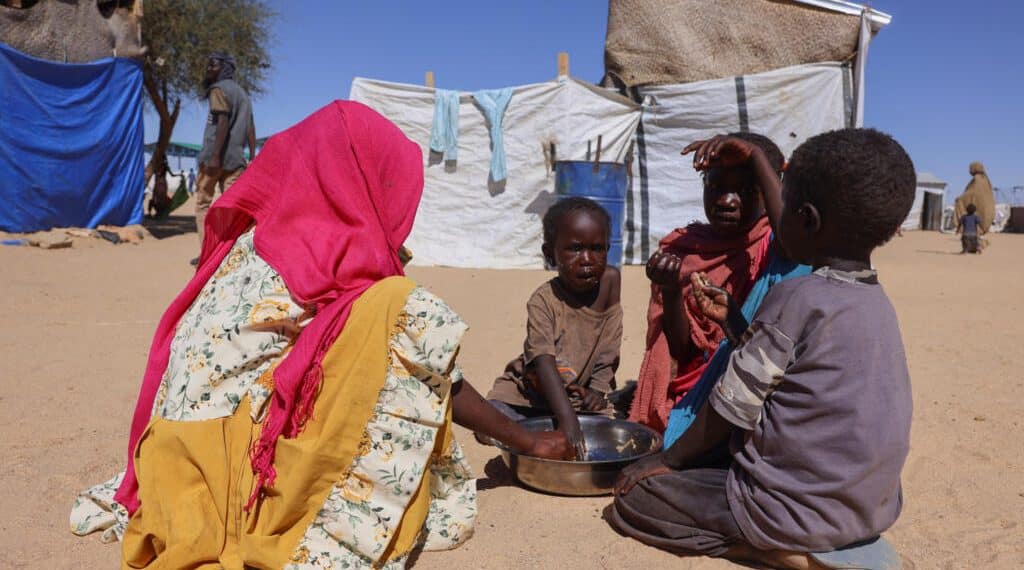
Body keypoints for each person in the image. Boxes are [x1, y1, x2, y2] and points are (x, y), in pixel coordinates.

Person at [70, 101, 569, 568]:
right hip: (228, 478)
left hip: (173, 458)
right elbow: (419, 359)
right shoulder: (329, 255)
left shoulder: (266, 237)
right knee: (400, 308)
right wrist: (524, 438)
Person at [611, 128, 915, 570]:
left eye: (784, 206)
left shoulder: (796, 296)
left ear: (806, 219)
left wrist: (665, 461)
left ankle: (775, 551)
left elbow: (730, 409)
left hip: (785, 512)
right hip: (868, 510)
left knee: (635, 498)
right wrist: (735, 322)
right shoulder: (876, 303)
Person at [629, 132, 796, 433]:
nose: (726, 201)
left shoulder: (774, 245)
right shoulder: (685, 249)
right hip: (698, 389)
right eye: (715, 187)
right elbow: (682, 352)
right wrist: (670, 290)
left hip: (755, 388)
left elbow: (792, 242)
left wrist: (757, 156)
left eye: (745, 190)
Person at [486, 197, 622, 457]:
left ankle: (544, 428)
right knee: (495, 416)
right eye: (574, 249)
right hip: (531, 393)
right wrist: (567, 419)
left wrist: (597, 389)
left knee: (607, 431)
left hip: (575, 397)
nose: (587, 259)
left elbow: (610, 343)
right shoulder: (543, 300)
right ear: (550, 255)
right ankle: (540, 428)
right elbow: (543, 361)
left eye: (597, 248)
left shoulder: (610, 283)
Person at [192, 51, 257, 266]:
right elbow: (250, 130)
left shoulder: (219, 90)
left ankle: (207, 256)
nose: (209, 69)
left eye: (213, 65)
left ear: (224, 68)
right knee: (232, 212)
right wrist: (252, 157)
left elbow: (222, 122)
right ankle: (229, 256)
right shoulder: (243, 95)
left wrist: (215, 157)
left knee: (202, 204)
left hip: (214, 158)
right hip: (236, 161)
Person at [953, 161, 995, 237]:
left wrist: (960, 199)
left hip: (979, 207)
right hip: (985, 209)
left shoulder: (977, 179)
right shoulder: (985, 180)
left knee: (959, 202)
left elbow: (972, 193)